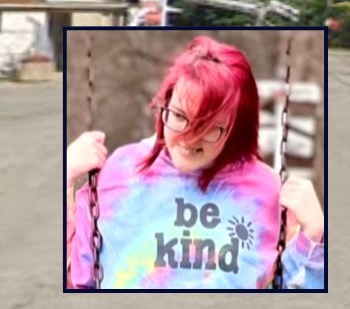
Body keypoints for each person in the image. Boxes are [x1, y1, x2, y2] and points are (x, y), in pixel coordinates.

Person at [65, 37, 325, 289]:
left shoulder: (266, 191)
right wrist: (65, 180)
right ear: (164, 104)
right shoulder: (121, 171)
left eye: (210, 126)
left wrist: (314, 238)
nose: (189, 138)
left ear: (236, 128)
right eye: (179, 115)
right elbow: (75, 280)